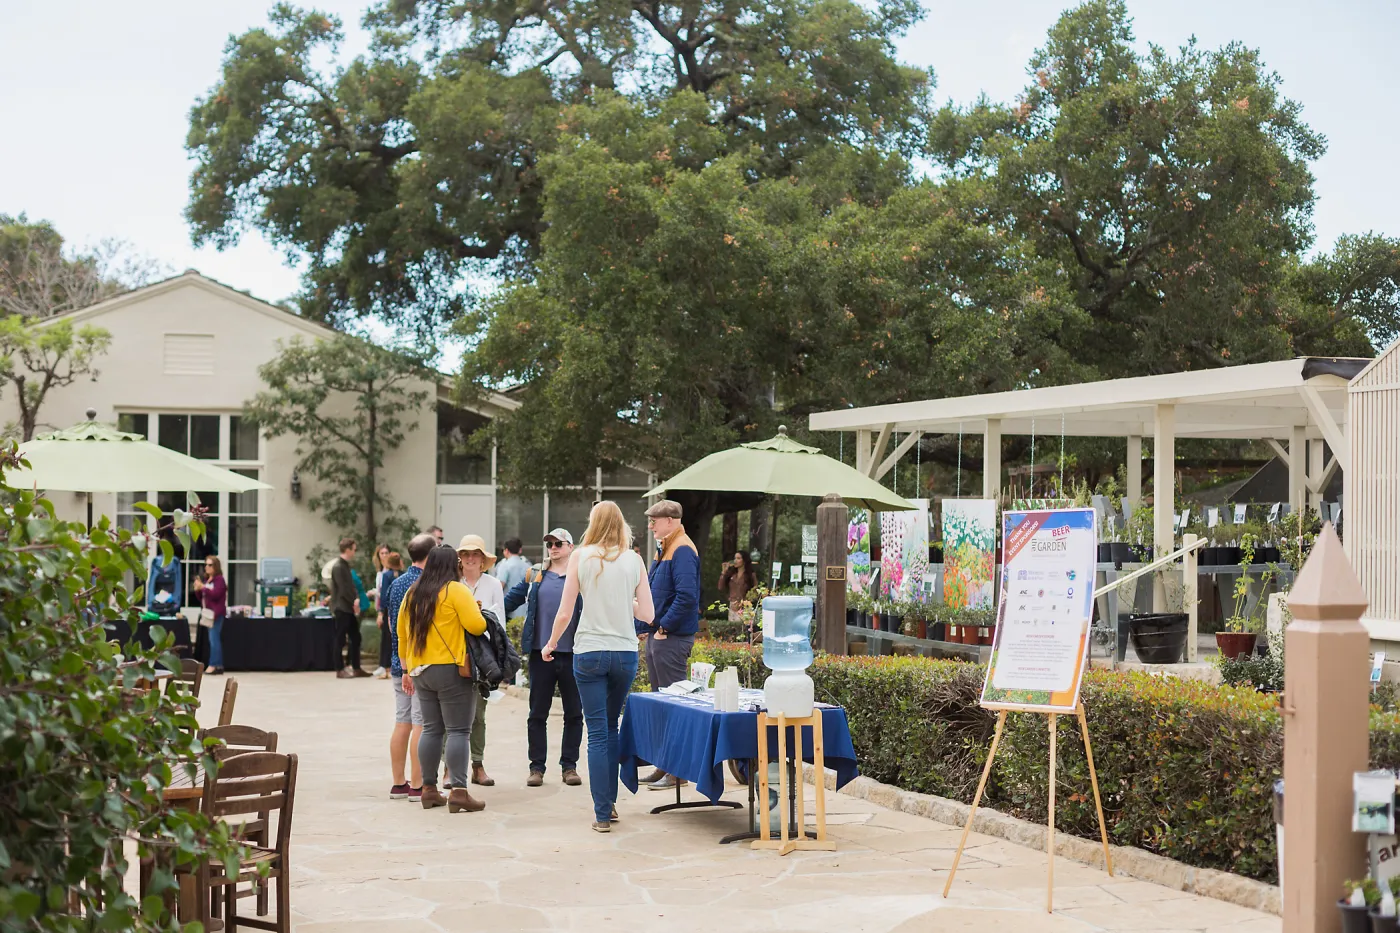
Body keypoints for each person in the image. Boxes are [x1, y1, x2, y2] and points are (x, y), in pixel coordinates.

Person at [543, 501, 654, 832]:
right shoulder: (634, 559)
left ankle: (602, 813)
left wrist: (550, 645)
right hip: (624, 653)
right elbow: (648, 614)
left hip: (589, 652)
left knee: (596, 733)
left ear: (592, 523)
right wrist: (625, 602)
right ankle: (611, 803)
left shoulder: (580, 556)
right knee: (611, 727)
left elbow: (565, 612)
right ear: (622, 524)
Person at [397, 545, 489, 813]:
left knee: (432, 729)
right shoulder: (455, 589)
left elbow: (401, 635)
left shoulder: (413, 593)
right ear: (453, 565)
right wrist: (476, 609)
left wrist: (406, 669)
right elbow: (477, 626)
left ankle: (428, 789)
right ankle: (459, 791)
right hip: (452, 670)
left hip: (420, 671)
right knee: (459, 730)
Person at [505, 528, 583, 787]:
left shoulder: (581, 576)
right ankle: (536, 767)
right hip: (541, 654)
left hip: (573, 654)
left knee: (574, 713)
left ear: (570, 546)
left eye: (558, 543)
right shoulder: (535, 575)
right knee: (538, 713)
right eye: (549, 543)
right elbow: (508, 600)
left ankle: (569, 767)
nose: (553, 547)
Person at [635, 499, 700, 791]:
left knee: (674, 705)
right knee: (663, 703)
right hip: (661, 637)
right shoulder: (668, 547)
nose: (650, 526)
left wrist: (663, 626)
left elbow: (687, 596)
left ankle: (678, 770)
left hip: (671, 638)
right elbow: (653, 592)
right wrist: (645, 627)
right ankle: (665, 765)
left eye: (655, 520)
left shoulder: (682, 548)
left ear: (671, 521)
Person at [385, 535, 435, 799]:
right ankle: (418, 785)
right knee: (420, 724)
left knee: (401, 721)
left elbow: (393, 625)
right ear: (430, 555)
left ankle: (398, 783)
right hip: (416, 664)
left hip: (396, 661)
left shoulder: (396, 583)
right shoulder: (424, 584)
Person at [456, 534, 504, 788]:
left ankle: (477, 764)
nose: (471, 558)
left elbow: (501, 626)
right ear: (460, 559)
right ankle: (449, 768)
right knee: (449, 714)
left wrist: (499, 663)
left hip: (482, 657)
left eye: (476, 554)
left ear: (483, 560)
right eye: (466, 554)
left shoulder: (493, 584)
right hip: (454, 654)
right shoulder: (452, 583)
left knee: (478, 715)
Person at [330, 537, 367, 679]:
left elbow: (351, 586)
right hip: (342, 607)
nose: (354, 552)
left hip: (348, 607)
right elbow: (343, 588)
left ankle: (356, 667)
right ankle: (339, 669)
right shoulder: (339, 566)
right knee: (340, 639)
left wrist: (355, 599)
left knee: (355, 637)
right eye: (353, 549)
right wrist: (354, 602)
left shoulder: (345, 565)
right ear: (347, 550)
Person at [193, 555, 227, 675]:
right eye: (206, 564)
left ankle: (213, 665)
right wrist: (198, 589)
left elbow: (216, 594)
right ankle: (218, 664)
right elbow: (202, 597)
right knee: (213, 639)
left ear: (216, 566)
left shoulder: (219, 580)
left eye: (210, 565)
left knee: (214, 639)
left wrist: (203, 588)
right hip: (208, 614)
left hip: (216, 614)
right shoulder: (208, 580)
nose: (207, 567)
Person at [371, 543, 396, 678]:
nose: (384, 555)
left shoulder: (390, 573)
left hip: (387, 608)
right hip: (381, 606)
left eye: (387, 553)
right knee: (385, 637)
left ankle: (386, 665)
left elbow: (386, 593)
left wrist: (381, 612)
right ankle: (383, 664)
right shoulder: (380, 572)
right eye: (382, 553)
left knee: (388, 636)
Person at [146, 534, 182, 615]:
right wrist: (151, 602)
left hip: (167, 602)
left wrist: (151, 602)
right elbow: (152, 584)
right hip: (161, 602)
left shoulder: (174, 562)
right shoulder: (157, 561)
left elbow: (178, 583)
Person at [494, 538, 529, 620]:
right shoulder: (527, 565)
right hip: (524, 611)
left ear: (506, 550)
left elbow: (499, 586)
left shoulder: (504, 565)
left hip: (509, 611)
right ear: (520, 550)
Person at [718, 551, 758, 621]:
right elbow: (720, 587)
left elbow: (755, 592)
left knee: (743, 628)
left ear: (744, 561)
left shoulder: (750, 575)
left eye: (738, 558)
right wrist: (723, 572)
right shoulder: (731, 574)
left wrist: (743, 602)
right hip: (732, 605)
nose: (735, 561)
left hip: (744, 607)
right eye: (735, 558)